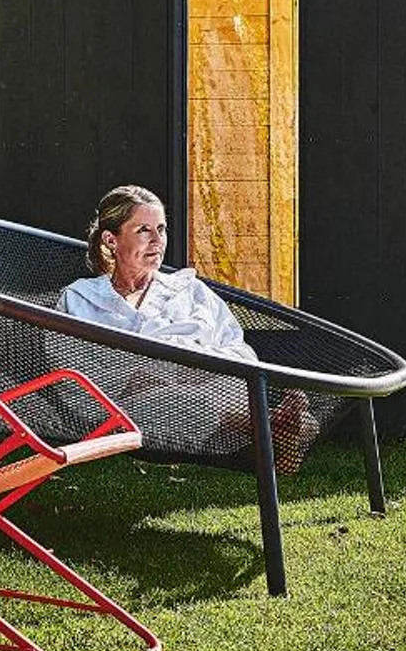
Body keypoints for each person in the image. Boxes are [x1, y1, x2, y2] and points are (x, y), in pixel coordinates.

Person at [60, 186, 317, 470]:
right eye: (144, 230)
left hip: (209, 386)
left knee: (221, 391)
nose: (157, 241)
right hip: (121, 409)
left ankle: (271, 432)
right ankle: (274, 430)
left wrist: (184, 366)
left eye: (161, 229)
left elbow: (240, 352)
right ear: (111, 240)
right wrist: (145, 376)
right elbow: (71, 375)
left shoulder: (191, 290)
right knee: (188, 401)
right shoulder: (81, 299)